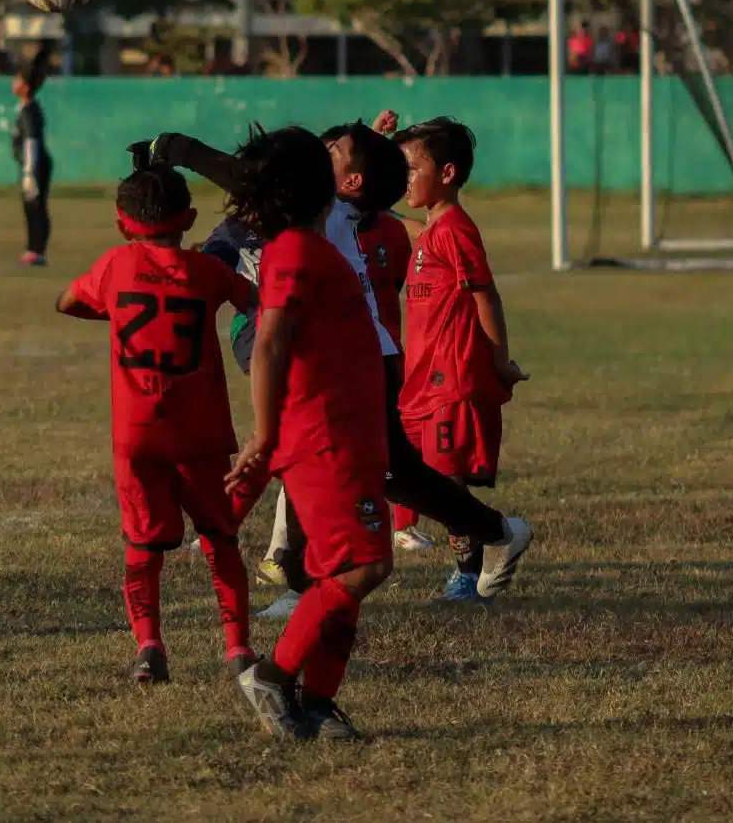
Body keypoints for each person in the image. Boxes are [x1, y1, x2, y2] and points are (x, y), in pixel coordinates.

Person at [128, 124, 534, 605]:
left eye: (335, 150)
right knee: (397, 475)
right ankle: (499, 531)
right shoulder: (321, 206)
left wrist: (175, 148)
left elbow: (244, 176)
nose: (323, 151)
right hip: (362, 355)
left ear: (352, 182)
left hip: (359, 358)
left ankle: (297, 581)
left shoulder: (327, 204)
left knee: (311, 455)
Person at [55, 165, 257, 683]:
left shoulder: (116, 266)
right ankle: (238, 649)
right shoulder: (207, 273)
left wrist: (117, 314)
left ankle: (149, 646)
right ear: (189, 218)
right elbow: (249, 299)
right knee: (220, 539)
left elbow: (67, 301)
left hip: (137, 435)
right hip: (201, 433)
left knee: (142, 547)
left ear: (122, 223)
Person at [224, 127, 390, 741]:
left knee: (344, 572)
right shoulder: (294, 250)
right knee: (362, 566)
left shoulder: (310, 248)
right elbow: (269, 343)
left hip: (351, 431)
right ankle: (274, 675)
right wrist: (263, 437)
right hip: (324, 437)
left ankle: (315, 707)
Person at [393, 118, 528, 602]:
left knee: (445, 480)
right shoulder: (433, 228)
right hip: (420, 381)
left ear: (446, 173)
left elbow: (484, 295)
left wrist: (500, 361)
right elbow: (401, 225)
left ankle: (468, 576)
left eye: (412, 168)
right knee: (403, 474)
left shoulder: (454, 230)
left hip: (450, 379)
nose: (404, 177)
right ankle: (489, 543)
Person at [346, 141, 428, 552]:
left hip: (386, 351)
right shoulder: (332, 230)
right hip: (349, 355)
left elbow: (398, 281)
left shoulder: (392, 231)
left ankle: (401, 524)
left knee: (398, 440)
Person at [12, 43, 55, 267]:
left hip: (36, 164)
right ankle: (33, 249)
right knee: (30, 207)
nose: (13, 83)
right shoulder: (25, 108)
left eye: (17, 79)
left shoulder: (29, 110)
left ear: (26, 87)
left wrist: (30, 171)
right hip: (33, 164)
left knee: (36, 207)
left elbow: (31, 142)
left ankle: (37, 251)